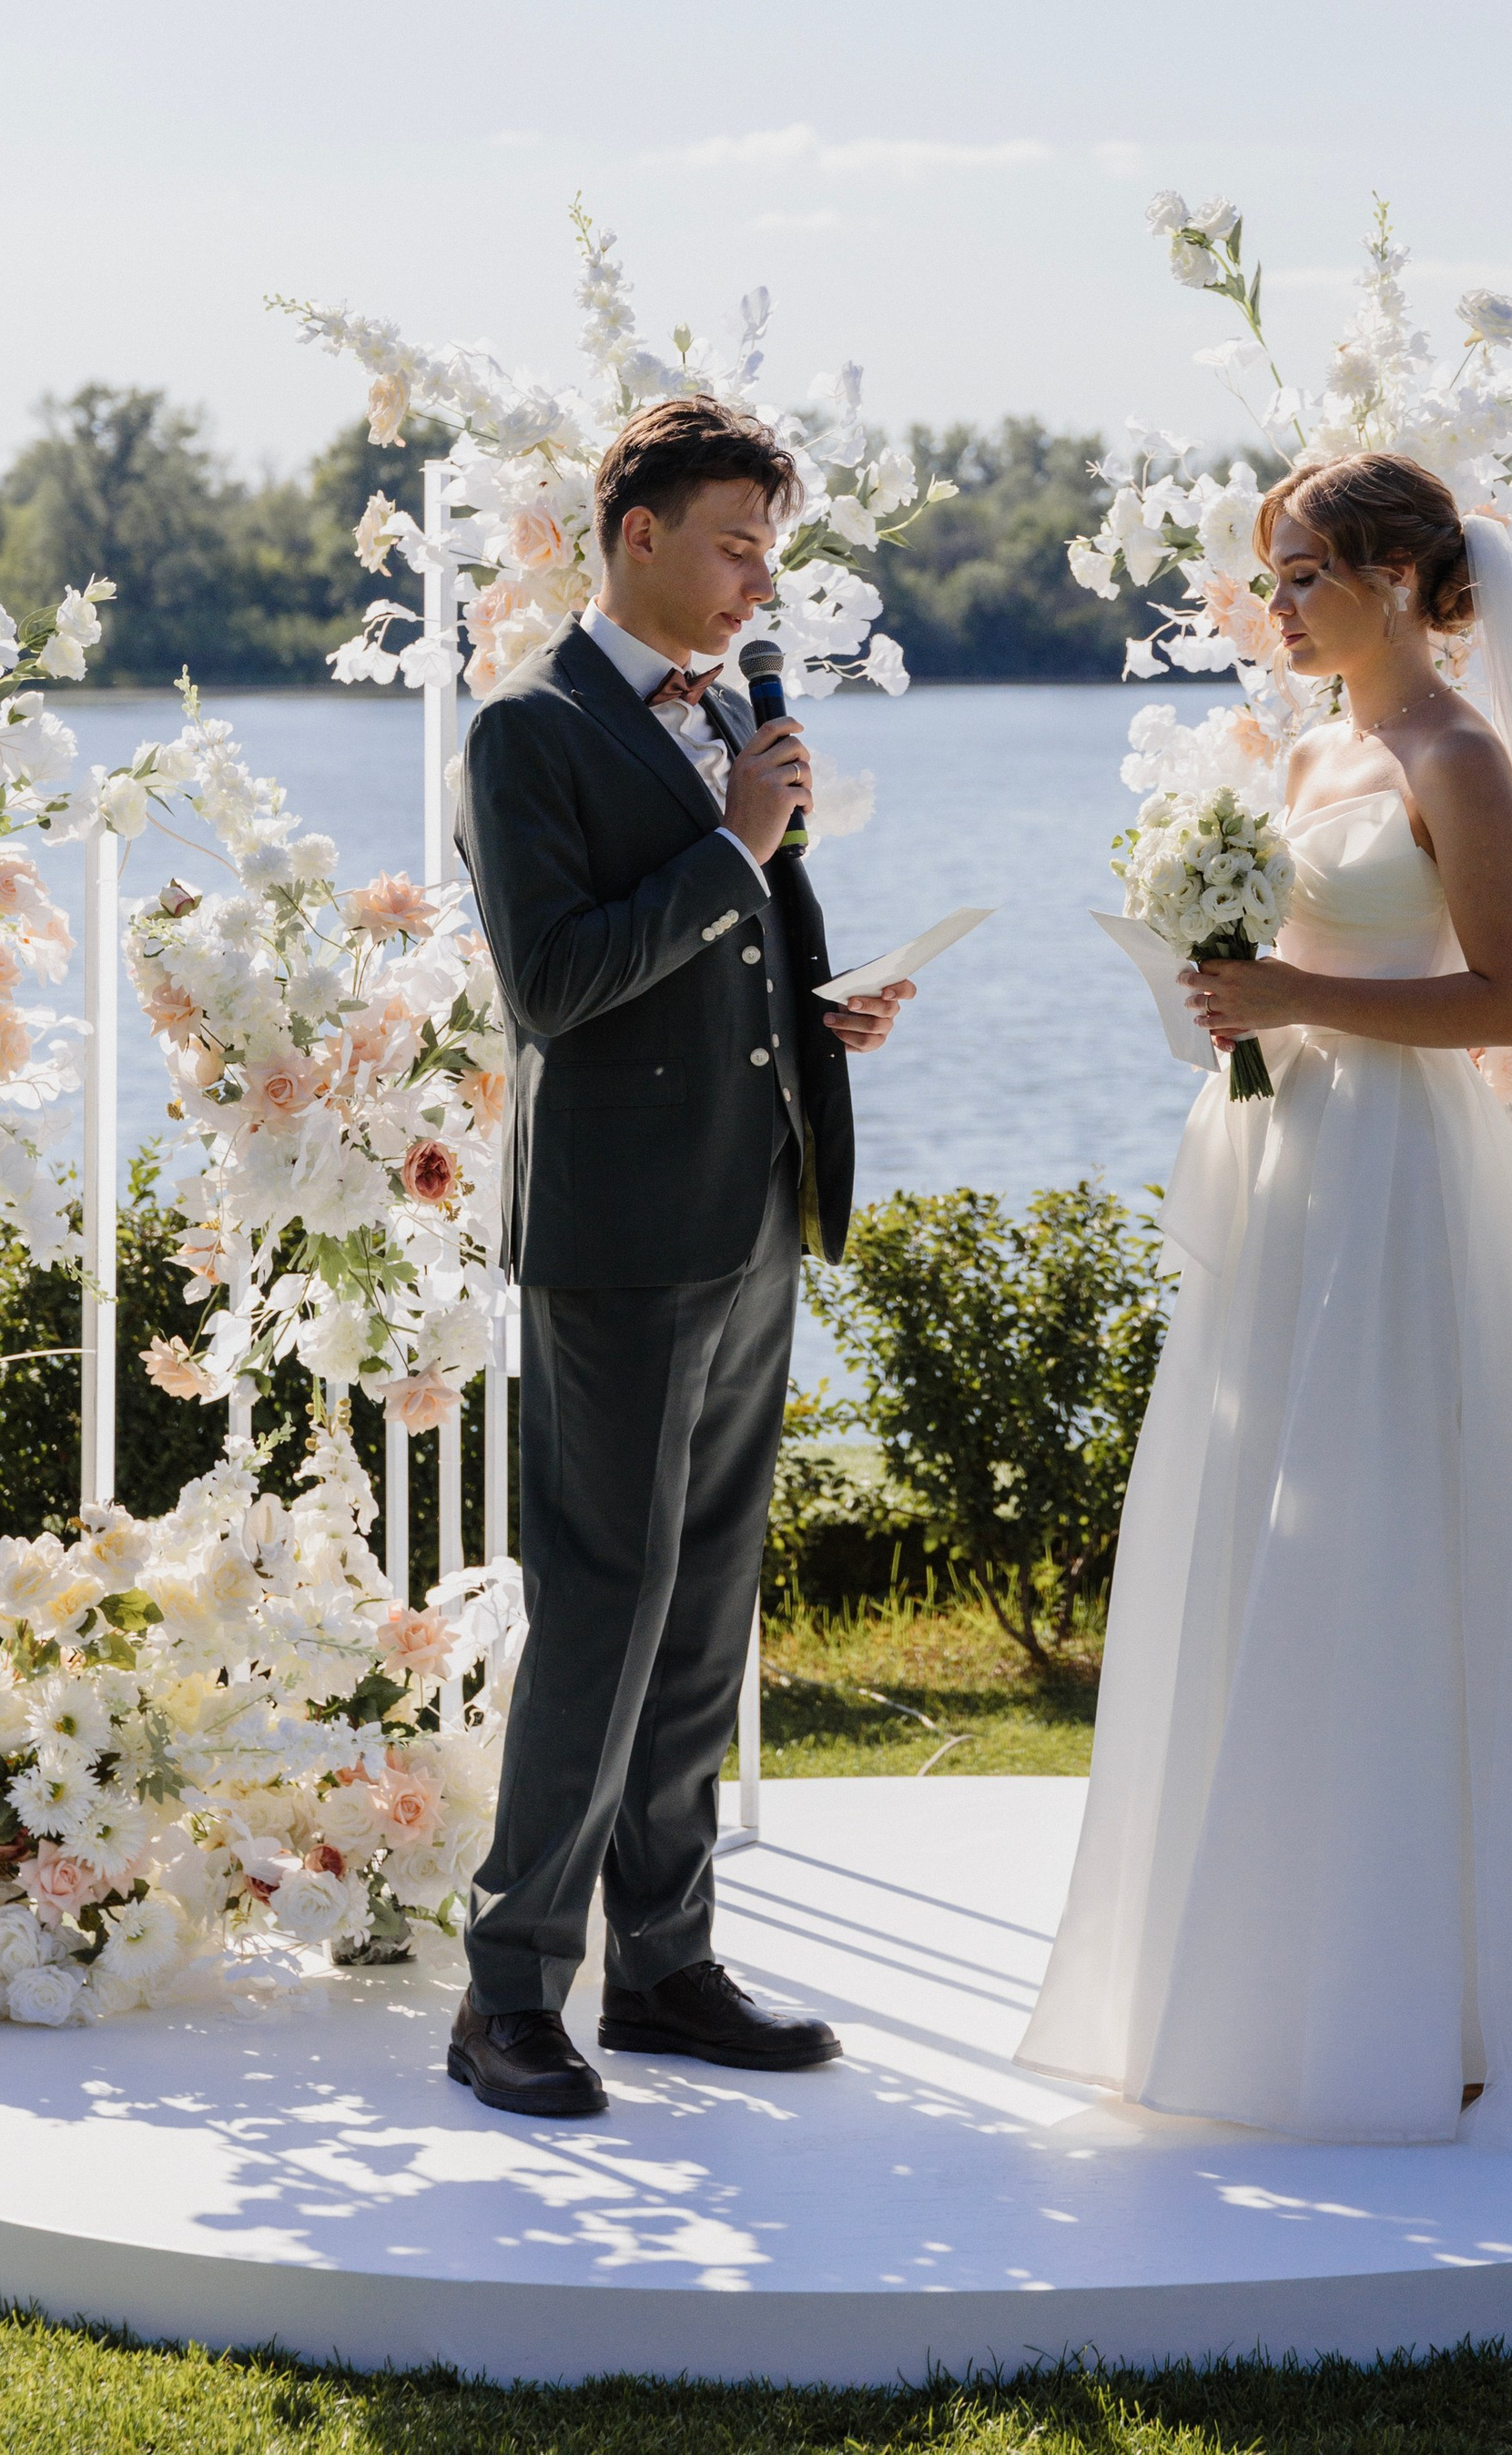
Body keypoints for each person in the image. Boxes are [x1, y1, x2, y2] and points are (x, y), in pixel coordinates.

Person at [1018, 451, 1512, 2144]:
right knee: (1278, 1537)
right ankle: (1263, 1964)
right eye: (1272, 572)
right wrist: (1231, 998)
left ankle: (1447, 1988)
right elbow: (1302, 957)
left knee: (1406, 1545)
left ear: (1401, 577)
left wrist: (1299, 987)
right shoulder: (1314, 747)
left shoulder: (1464, 756)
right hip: (1290, 1167)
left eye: (1304, 569)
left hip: (1409, 1182)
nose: (1279, 601)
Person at [446, 396, 914, 2119]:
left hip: (750, 1214)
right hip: (618, 1240)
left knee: (705, 1610)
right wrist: (733, 844)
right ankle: (507, 1992)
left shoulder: (726, 712)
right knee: (601, 1604)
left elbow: (727, 955)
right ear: (631, 530)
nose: (752, 581)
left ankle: (663, 1967)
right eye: (732, 544)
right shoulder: (526, 728)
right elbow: (557, 992)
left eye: (767, 550)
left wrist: (822, 1003)